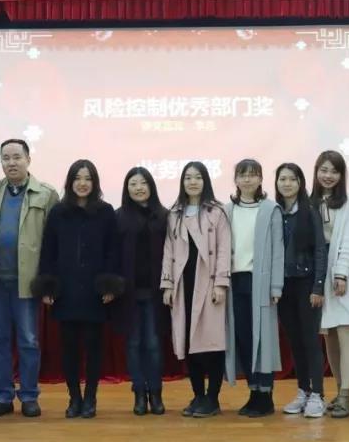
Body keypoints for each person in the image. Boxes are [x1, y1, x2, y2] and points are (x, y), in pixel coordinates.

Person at [34, 159, 122, 419]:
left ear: (95, 183)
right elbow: (48, 251)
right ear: (70, 182)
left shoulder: (106, 212)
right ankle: (74, 398)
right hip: (66, 290)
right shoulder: (58, 212)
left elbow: (113, 252)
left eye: (88, 179)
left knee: (94, 348)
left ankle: (91, 397)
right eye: (78, 178)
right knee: (69, 349)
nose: (82, 183)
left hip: (95, 291)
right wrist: (47, 286)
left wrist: (109, 285)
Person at [0, 139, 59, 418]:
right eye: (6, 158)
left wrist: (49, 283)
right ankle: (1, 396)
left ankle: (29, 396)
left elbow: (53, 243)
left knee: (28, 340)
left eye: (17, 157)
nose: (11, 162)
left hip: (27, 281)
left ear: (28, 159)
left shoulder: (46, 194)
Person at [161, 161, 231, 418]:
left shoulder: (217, 212)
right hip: (184, 285)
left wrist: (221, 283)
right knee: (188, 342)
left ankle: (212, 398)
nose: (192, 182)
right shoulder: (175, 213)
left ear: (205, 181)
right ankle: (198, 395)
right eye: (188, 177)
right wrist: (168, 284)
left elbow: (223, 248)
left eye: (198, 177)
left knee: (211, 343)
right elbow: (168, 250)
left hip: (209, 282)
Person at [223, 159, 283, 418]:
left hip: (260, 282)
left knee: (263, 341)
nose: (247, 179)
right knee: (244, 339)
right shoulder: (227, 210)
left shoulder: (270, 209)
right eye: (242, 175)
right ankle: (253, 392)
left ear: (260, 179)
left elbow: (278, 249)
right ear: (235, 180)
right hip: (234, 282)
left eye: (252, 175)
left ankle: (265, 397)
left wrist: (276, 285)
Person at [274, 163, 329, 418]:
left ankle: (318, 394)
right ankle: (303, 391)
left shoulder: (310, 211)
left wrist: (318, 286)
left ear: (300, 183)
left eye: (292, 179)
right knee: (295, 341)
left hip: (306, 284)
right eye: (282, 179)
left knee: (310, 340)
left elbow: (320, 250)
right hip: (283, 286)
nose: (287, 184)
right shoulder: (275, 213)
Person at [114, 167, 169, 416]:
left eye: (143, 183)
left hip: (157, 293)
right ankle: (138, 392)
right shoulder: (118, 217)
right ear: (127, 189)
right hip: (128, 294)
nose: (138, 188)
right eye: (133, 184)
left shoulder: (164, 216)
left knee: (154, 344)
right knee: (134, 343)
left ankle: (155, 393)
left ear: (151, 186)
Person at [312, 150, 349, 419]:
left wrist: (341, 274)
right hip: (318, 276)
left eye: (334, 171)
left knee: (344, 332)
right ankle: (339, 390)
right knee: (328, 334)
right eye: (324, 170)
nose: (328, 176)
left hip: (342, 275)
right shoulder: (309, 202)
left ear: (342, 175)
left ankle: (346, 393)